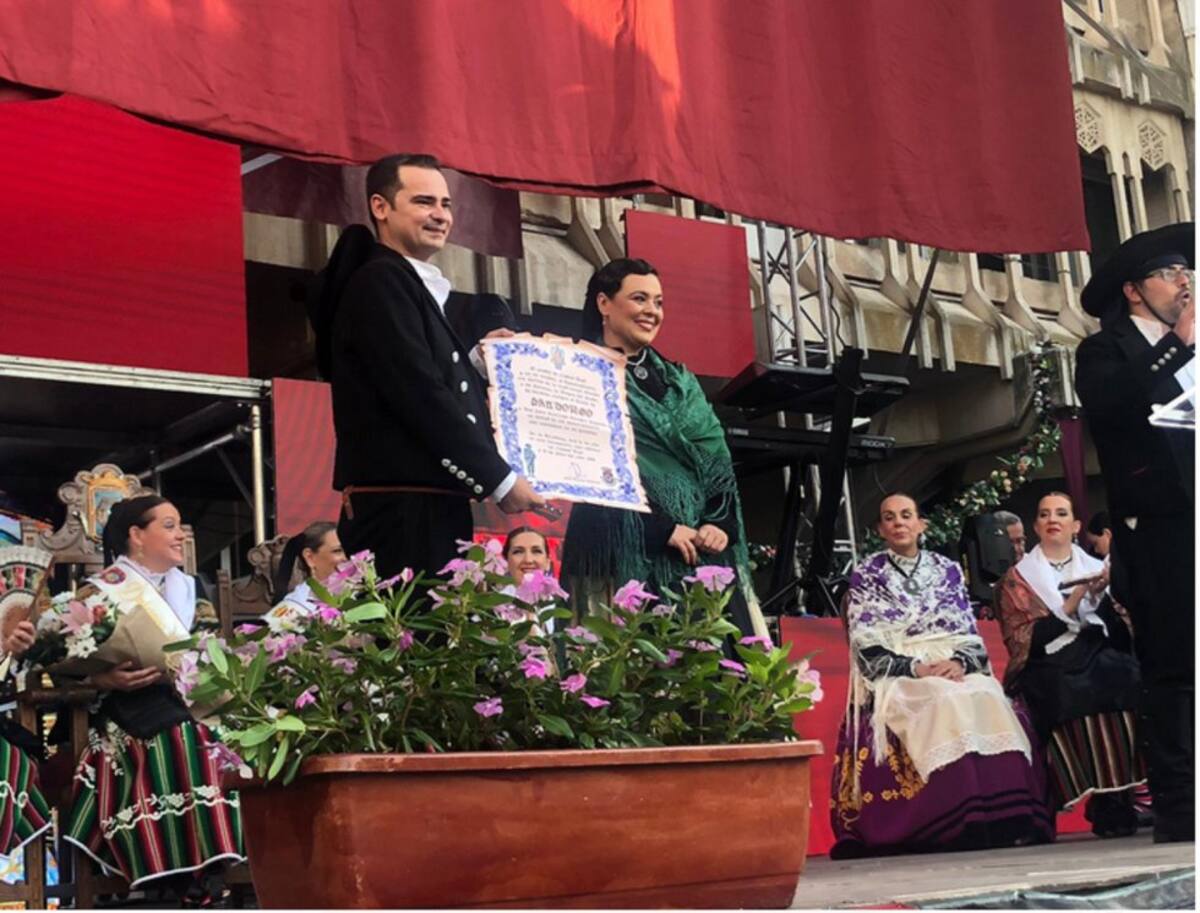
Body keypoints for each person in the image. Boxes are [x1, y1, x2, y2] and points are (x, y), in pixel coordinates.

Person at [308, 153, 544, 582]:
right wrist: (500, 480)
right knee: (414, 623)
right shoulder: (380, 280)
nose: (440, 215)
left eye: (446, 204)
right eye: (423, 202)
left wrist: (477, 364)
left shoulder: (401, 280)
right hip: (402, 509)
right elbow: (419, 392)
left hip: (426, 504)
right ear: (381, 207)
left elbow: (422, 374)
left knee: (437, 623)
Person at [6, 496, 244, 901]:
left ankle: (210, 865)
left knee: (219, 735)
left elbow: (213, 656)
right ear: (137, 534)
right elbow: (51, 665)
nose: (180, 535)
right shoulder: (100, 594)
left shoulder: (194, 594)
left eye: (180, 525)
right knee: (180, 736)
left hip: (188, 704)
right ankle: (174, 875)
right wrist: (102, 678)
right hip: (123, 710)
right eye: (168, 526)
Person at [830, 493, 1052, 858]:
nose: (898, 523)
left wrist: (960, 663)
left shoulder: (947, 569)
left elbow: (968, 632)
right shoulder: (867, 574)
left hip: (950, 658)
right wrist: (916, 668)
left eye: (906, 515)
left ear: (921, 524)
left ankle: (1010, 817)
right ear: (881, 529)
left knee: (985, 694)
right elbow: (865, 644)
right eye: (889, 517)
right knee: (943, 698)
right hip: (901, 667)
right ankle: (958, 819)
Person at [559, 258, 766, 638]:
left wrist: (718, 523)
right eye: (639, 299)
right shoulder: (576, 374)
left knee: (718, 667)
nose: (652, 311)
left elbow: (716, 461)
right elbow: (587, 474)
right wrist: (662, 529)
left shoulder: (680, 380)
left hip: (700, 555)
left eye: (658, 302)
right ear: (604, 303)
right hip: (619, 556)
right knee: (629, 666)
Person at [1075, 221, 1194, 843]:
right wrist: (1176, 345)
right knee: (1175, 662)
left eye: (1188, 273)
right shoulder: (1105, 350)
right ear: (1133, 290)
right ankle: (1180, 804)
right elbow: (1111, 404)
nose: (1185, 283)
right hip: (1159, 528)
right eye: (1170, 274)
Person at [995, 493, 1144, 836]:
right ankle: (1079, 792)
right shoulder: (1017, 579)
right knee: (1068, 690)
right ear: (1036, 526)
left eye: (1061, 513)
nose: (1053, 519)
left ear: (1075, 525)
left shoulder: (1099, 569)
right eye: (1044, 514)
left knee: (1125, 677)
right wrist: (1069, 606)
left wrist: (1103, 595)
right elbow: (1020, 639)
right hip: (1046, 661)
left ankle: (1115, 798)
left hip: (1097, 650)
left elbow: (1123, 630)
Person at [271, 521, 345, 613]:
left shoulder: (358, 596)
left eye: (350, 549)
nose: (348, 557)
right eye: (337, 551)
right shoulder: (291, 610)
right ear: (310, 557)